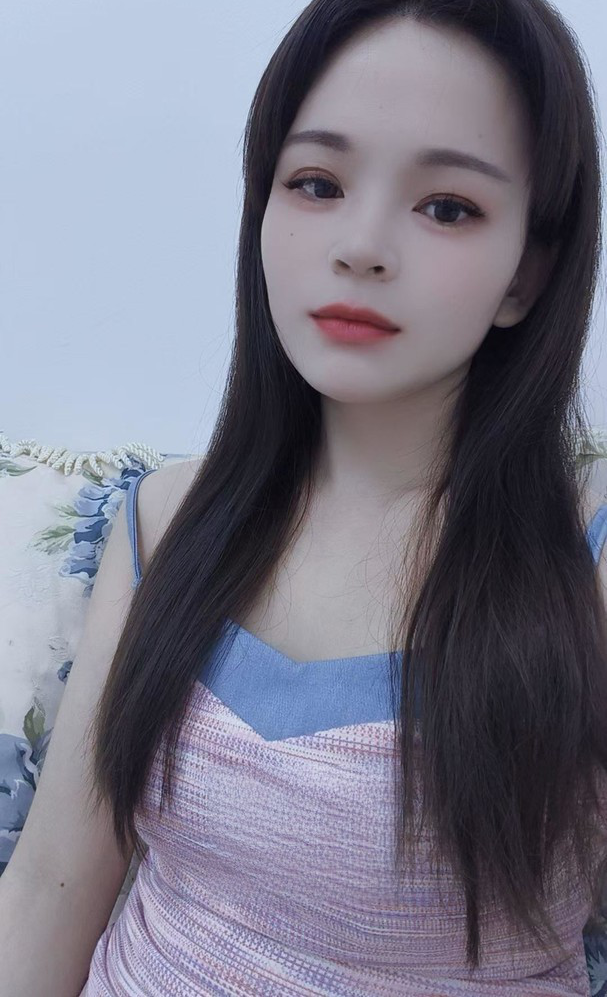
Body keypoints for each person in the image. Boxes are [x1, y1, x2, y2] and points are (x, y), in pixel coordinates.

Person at [2, 0, 607, 993]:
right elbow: (47, 891)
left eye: (447, 206)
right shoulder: (164, 518)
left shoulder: (580, 554)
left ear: (526, 275)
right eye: (316, 183)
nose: (362, 245)